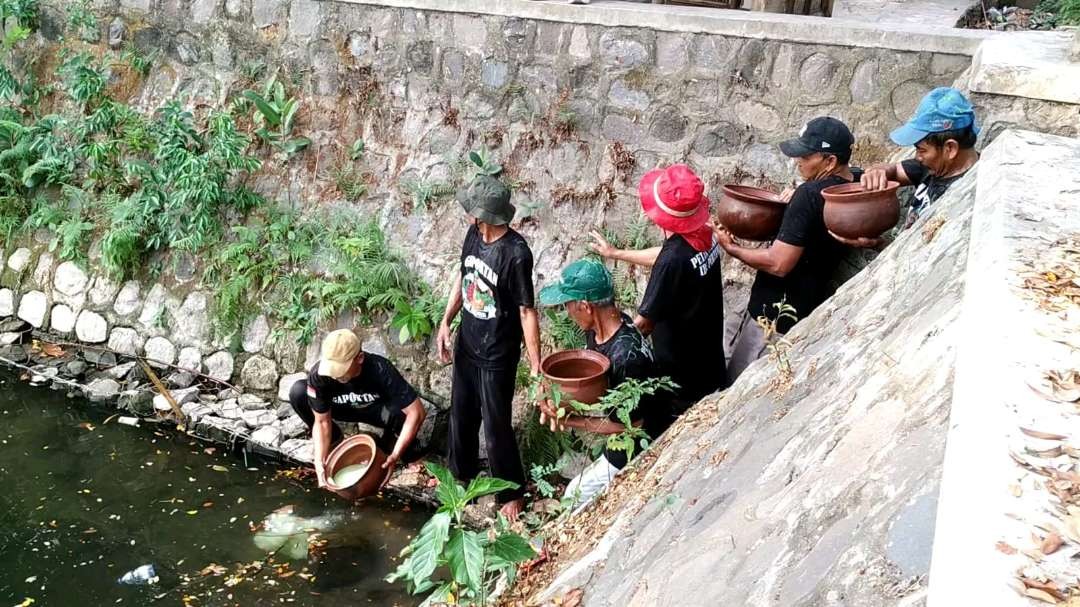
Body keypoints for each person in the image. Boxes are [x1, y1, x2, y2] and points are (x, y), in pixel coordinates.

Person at [717, 117, 860, 381]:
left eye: (806, 156)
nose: (799, 161)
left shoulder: (809, 195)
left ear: (829, 161)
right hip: (803, 308)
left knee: (738, 382)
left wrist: (733, 248)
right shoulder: (855, 182)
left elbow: (779, 263)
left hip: (772, 318)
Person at [436, 175, 542, 520]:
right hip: (468, 342)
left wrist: (537, 367)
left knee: (496, 424)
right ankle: (460, 476)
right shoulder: (473, 235)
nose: (467, 214)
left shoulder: (515, 254)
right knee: (462, 414)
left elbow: (527, 311)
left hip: (498, 352)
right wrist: (446, 321)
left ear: (482, 215)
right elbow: (462, 276)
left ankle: (511, 490)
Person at [536, 258, 671, 511]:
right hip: (625, 421)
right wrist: (556, 399)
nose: (567, 312)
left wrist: (570, 421)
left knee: (573, 495)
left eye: (568, 305)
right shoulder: (606, 326)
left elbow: (632, 427)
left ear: (585, 306)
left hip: (642, 441)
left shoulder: (626, 358)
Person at [590, 164, 727, 411]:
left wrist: (608, 357)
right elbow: (669, 256)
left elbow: (643, 324)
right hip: (709, 361)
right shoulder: (705, 234)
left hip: (681, 381)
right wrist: (616, 253)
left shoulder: (671, 261)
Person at [838, 87, 980, 248]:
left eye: (922, 150)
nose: (917, 157)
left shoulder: (963, 197)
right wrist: (878, 172)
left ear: (950, 149)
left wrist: (878, 245)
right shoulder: (933, 166)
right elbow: (895, 170)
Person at [289, 329, 427, 491]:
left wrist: (395, 455)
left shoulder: (380, 369)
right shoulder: (319, 375)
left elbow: (417, 412)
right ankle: (334, 440)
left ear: (359, 358)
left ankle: (404, 452)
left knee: (402, 411)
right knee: (298, 392)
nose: (334, 375)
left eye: (340, 369)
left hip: (376, 410)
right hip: (342, 407)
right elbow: (321, 421)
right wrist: (319, 461)